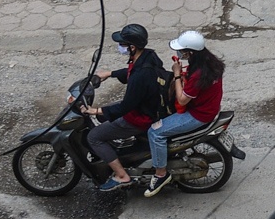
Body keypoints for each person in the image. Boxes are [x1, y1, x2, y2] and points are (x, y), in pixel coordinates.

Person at [77, 24, 172, 193]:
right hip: (150, 106)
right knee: (107, 115)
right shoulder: (148, 56)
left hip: (140, 117)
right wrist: (110, 73)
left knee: (94, 136)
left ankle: (121, 176)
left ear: (132, 47)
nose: (121, 47)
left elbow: (126, 106)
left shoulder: (140, 76)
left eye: (123, 44)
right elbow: (131, 71)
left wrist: (96, 110)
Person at [144, 31, 225, 197]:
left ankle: (160, 174)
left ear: (190, 52)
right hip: (210, 107)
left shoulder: (198, 75)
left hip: (199, 115)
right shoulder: (211, 63)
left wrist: (176, 74)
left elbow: (181, 100)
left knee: (155, 132)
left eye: (182, 50)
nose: (179, 53)